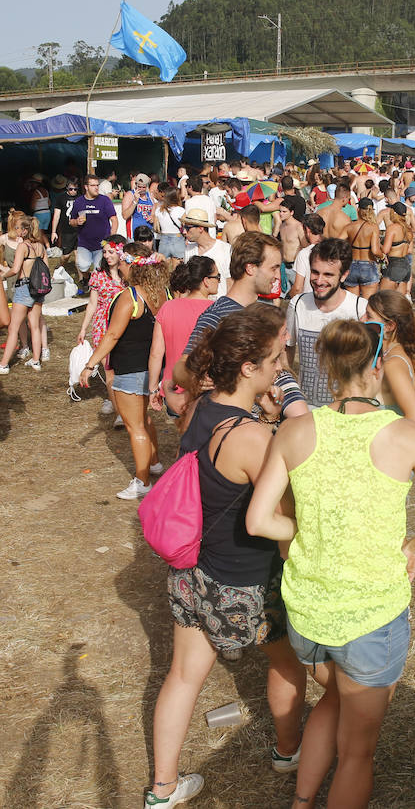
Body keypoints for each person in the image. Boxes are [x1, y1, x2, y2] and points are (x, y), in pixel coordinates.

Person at [246, 319, 415, 809]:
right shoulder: (405, 436)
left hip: (308, 616)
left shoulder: (294, 431)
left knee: (332, 700)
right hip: (371, 619)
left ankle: (302, 800)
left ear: (326, 367)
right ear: (378, 367)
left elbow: (259, 520)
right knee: (358, 752)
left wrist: (311, 532)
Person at [144, 304, 307, 809]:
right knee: (285, 663)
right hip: (245, 581)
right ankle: (288, 751)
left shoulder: (199, 406)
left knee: (183, 675)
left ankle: (163, 789)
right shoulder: (253, 438)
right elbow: (283, 516)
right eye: (276, 360)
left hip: (193, 573)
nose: (282, 369)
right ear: (248, 368)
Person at [79, 243, 171, 499]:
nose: (118, 267)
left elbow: (112, 335)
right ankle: (153, 463)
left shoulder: (130, 297)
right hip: (155, 368)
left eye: (121, 263)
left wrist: (90, 364)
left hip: (131, 369)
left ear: (131, 266)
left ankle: (142, 481)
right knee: (145, 420)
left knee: (135, 427)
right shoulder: (163, 294)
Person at [171, 232, 282, 407]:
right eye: (273, 268)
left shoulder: (265, 312)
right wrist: (194, 379)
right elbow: (181, 367)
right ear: (251, 268)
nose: (277, 276)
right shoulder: (217, 315)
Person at [286, 238, 367, 409]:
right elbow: (288, 350)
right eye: (315, 272)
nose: (319, 281)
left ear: (344, 275)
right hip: (306, 409)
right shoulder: (297, 305)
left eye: (328, 274)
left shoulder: (360, 309)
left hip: (345, 410)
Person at [148, 257, 220, 416]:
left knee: (185, 437)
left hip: (174, 389)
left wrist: (153, 388)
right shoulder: (217, 310)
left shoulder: (168, 307)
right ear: (206, 281)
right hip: (208, 388)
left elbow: (156, 352)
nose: (219, 281)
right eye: (218, 277)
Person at [77, 235, 128, 420]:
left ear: (121, 253)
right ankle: (119, 413)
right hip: (103, 327)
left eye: (111, 252)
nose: (107, 255)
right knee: (110, 370)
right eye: (105, 252)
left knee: (124, 368)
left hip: (126, 326)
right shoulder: (98, 275)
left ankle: (121, 400)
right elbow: (92, 304)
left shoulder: (128, 275)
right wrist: (83, 328)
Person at [365, 290, 415, 424]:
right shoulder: (386, 352)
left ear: (389, 326)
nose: (362, 319)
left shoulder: (393, 364)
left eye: (369, 316)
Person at [0, 214, 48, 373]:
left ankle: (4, 364)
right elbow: (46, 269)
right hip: (38, 289)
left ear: (25, 230)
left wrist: (2, 276)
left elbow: (15, 269)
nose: (17, 230)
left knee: (13, 328)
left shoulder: (23, 247)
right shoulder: (41, 247)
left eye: (19, 228)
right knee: (34, 326)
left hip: (24, 288)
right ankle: (36, 361)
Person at [70, 173, 118, 294]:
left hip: (101, 243)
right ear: (86, 187)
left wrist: (111, 240)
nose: (96, 188)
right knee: (83, 266)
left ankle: (97, 292)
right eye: (93, 185)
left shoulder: (104, 200)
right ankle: (86, 278)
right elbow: (71, 221)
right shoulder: (79, 202)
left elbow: (114, 220)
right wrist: (76, 221)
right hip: (84, 242)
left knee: (99, 269)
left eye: (97, 185)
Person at [344, 198, 383, 299]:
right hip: (368, 265)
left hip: (352, 264)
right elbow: (375, 250)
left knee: (353, 304)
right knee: (367, 304)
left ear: (358, 209)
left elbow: (336, 243)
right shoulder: (373, 227)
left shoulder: (350, 226)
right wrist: (383, 256)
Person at [288, 214, 325, 298]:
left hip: (309, 301)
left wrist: (291, 297)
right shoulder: (332, 248)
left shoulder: (304, 253)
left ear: (307, 230)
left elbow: (298, 288)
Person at [381, 203, 413, 295]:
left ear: (394, 213)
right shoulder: (408, 229)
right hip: (406, 265)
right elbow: (409, 250)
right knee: (398, 301)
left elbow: (385, 250)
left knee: (383, 297)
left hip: (394, 264)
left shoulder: (392, 228)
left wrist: (378, 244)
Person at [51, 177, 79, 261]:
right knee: (66, 255)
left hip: (79, 229)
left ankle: (81, 274)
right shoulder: (61, 198)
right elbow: (56, 216)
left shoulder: (81, 197)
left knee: (78, 254)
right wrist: (53, 232)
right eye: (71, 189)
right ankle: (60, 266)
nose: (73, 191)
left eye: (75, 189)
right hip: (67, 230)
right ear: (67, 188)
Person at [154, 187, 186, 260]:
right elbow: (185, 227)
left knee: (163, 266)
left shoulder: (159, 210)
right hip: (178, 239)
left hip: (163, 239)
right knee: (180, 265)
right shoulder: (181, 210)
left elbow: (156, 227)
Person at [121, 172, 156, 238]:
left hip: (148, 232)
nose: (141, 189)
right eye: (139, 187)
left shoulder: (150, 196)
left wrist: (153, 216)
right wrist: (135, 201)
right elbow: (125, 216)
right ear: (136, 185)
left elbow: (156, 206)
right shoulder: (130, 195)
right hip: (134, 232)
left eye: (144, 187)